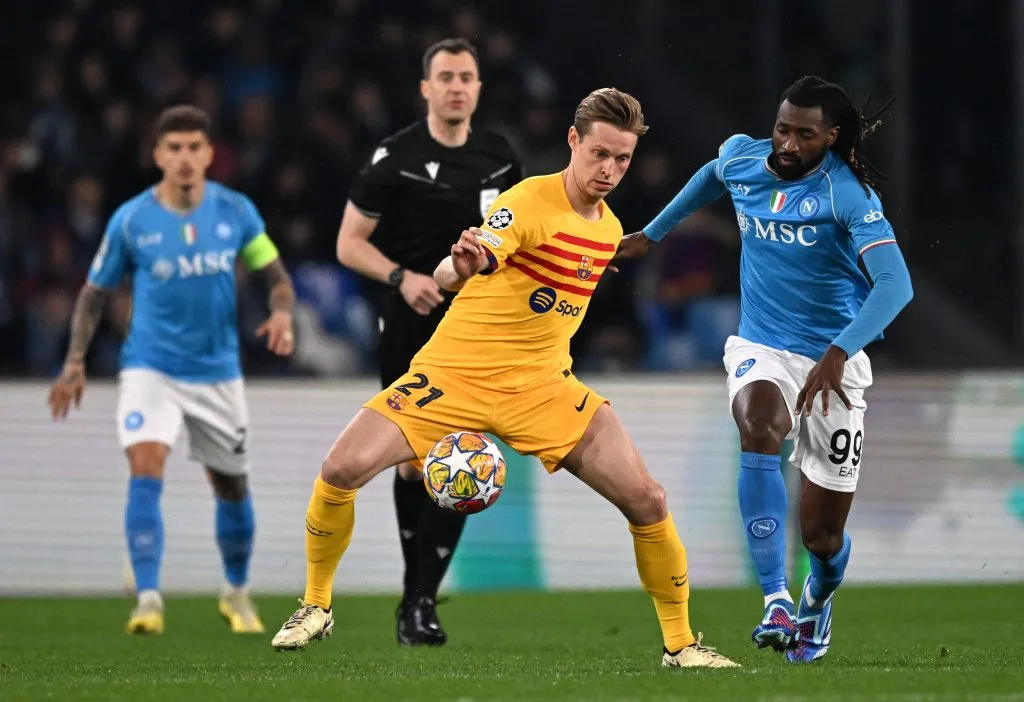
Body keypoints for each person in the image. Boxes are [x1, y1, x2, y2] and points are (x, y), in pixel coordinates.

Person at [270, 87, 738, 669]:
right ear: (573, 141)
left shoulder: (607, 228)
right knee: (341, 468)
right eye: (600, 155)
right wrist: (459, 264)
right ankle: (316, 604)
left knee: (648, 500)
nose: (611, 170)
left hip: (543, 388)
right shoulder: (527, 200)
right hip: (455, 375)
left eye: (623, 159)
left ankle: (681, 645)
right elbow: (462, 264)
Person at [614, 76, 913, 663]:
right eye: (782, 127)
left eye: (805, 134)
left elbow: (896, 285)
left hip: (834, 362)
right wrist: (653, 234)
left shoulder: (847, 196)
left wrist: (839, 352)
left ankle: (815, 600)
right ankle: (775, 599)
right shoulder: (744, 157)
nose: (787, 142)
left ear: (831, 138)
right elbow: (710, 176)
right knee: (758, 423)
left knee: (822, 539)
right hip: (762, 344)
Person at [47, 105, 296, 636]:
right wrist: (74, 362)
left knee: (230, 486)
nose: (184, 158)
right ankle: (149, 598)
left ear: (209, 154)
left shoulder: (237, 212)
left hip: (218, 372)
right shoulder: (132, 219)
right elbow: (94, 295)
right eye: (174, 148)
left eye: (194, 147)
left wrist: (280, 312)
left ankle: (236, 592)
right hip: (150, 367)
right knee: (146, 466)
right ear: (158, 155)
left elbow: (276, 276)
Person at [336, 37, 521, 646]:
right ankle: (416, 599)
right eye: (445, 77)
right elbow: (349, 243)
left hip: (478, 326)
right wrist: (401, 276)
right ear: (425, 88)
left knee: (460, 452)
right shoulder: (395, 156)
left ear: (478, 87)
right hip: (411, 319)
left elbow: (516, 239)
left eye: (466, 76)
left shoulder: (498, 157)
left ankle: (419, 602)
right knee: (415, 464)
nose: (456, 87)